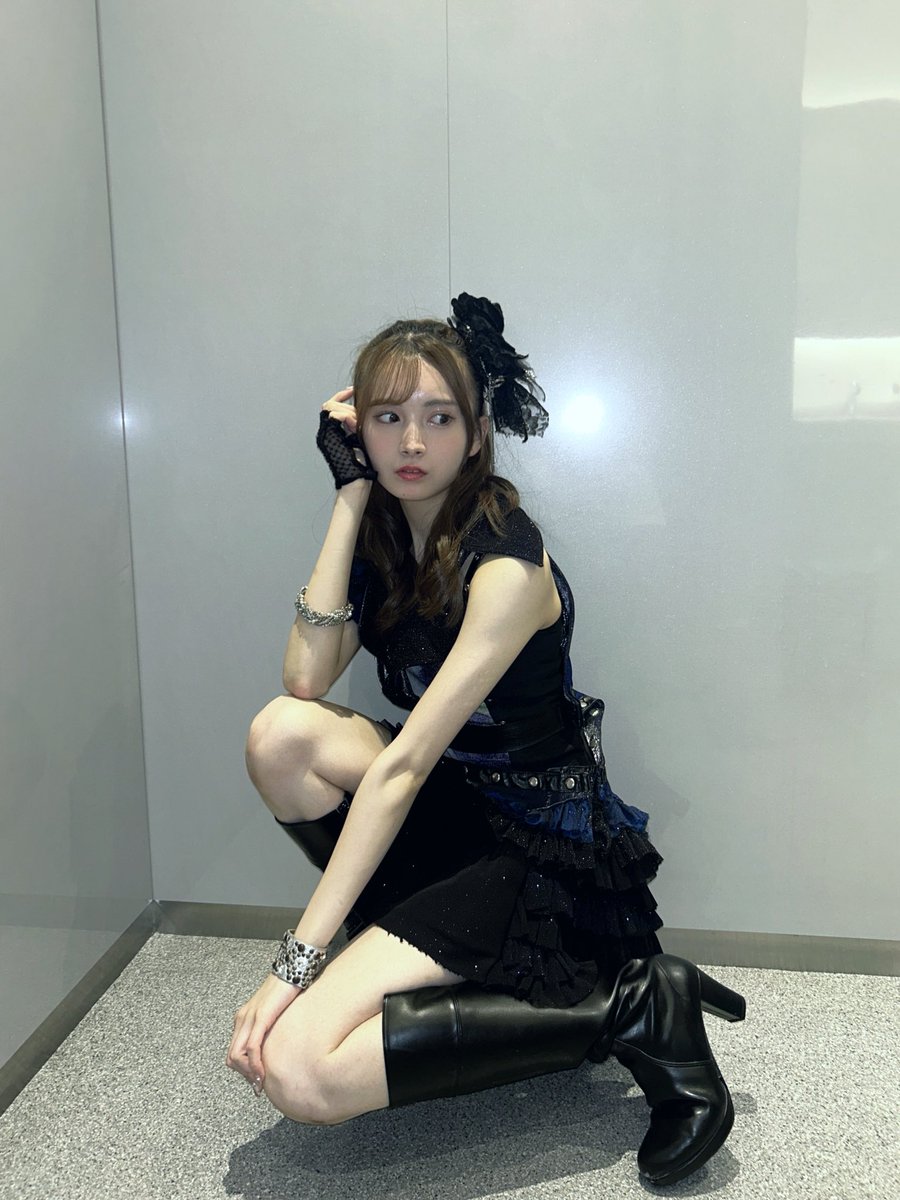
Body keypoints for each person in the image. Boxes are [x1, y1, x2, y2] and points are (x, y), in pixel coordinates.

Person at [227, 294, 745, 1187]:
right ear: (358, 431)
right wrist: (349, 498)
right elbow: (305, 680)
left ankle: (631, 1005)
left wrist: (295, 965)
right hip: (460, 808)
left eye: (440, 418)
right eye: (387, 418)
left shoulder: (506, 560)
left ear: (476, 436)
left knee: (300, 1074)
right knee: (281, 735)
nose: (411, 442)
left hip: (538, 845)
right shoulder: (389, 535)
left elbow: (402, 768)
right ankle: (422, 946)